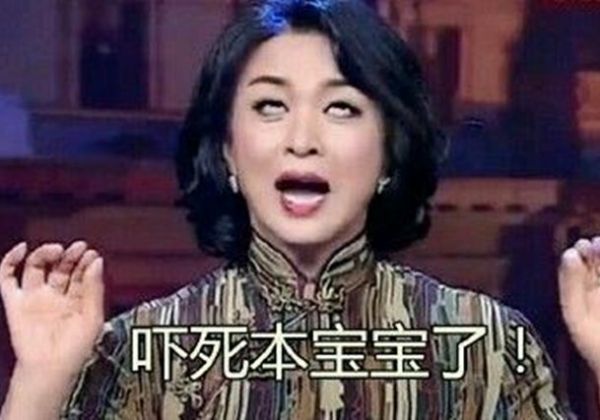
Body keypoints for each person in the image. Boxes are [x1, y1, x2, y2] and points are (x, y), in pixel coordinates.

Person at [0, 0, 599, 418]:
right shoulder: (146, 350)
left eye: (341, 108)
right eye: (270, 106)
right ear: (227, 151)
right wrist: (40, 382)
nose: (302, 139)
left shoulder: (483, 345)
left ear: (389, 152)